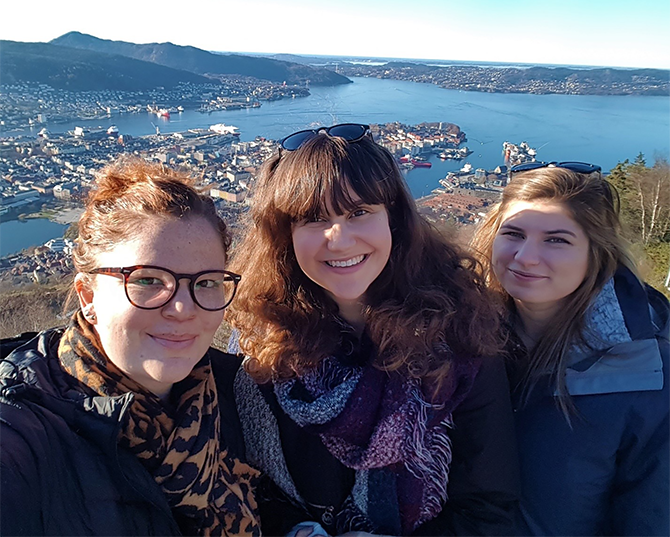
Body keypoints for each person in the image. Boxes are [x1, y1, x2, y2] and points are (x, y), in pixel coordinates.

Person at [226, 124, 519, 537]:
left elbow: (488, 508)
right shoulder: (261, 342)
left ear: (394, 220)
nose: (339, 240)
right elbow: (243, 482)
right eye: (312, 218)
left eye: (359, 213)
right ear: (284, 236)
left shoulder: (460, 338)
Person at [0, 157, 261, 537]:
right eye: (148, 280)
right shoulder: (25, 432)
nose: (183, 309)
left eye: (206, 282)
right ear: (88, 295)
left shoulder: (233, 390)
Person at [471, 162, 670, 537]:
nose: (526, 257)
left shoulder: (649, 379)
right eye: (513, 233)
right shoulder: (459, 339)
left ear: (597, 251)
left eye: (556, 239)